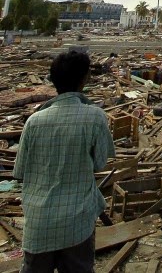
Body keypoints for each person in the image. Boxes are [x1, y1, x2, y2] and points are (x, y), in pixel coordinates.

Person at [14, 50, 114, 273]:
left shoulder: (34, 121)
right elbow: (100, 164)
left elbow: (20, 171)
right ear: (84, 78)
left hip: (38, 225)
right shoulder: (95, 117)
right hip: (76, 222)